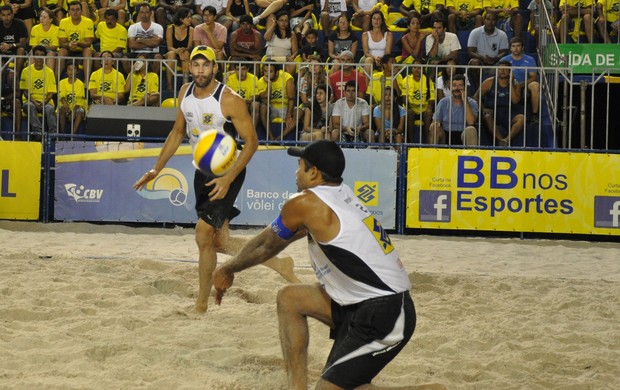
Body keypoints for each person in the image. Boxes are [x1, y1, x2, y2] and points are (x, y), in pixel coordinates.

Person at [212, 139, 416, 389]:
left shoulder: (306, 203)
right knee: (290, 298)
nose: (296, 172)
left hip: (387, 313)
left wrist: (227, 268)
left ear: (314, 172)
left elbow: (266, 245)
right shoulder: (340, 194)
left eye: (300, 165)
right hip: (361, 303)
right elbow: (280, 236)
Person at [133, 46, 299, 313]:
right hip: (203, 170)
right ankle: (279, 263)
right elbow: (177, 133)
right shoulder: (184, 93)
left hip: (228, 171)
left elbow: (252, 143)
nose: (200, 70)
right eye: (196, 65)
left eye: (205, 65)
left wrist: (228, 178)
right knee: (219, 242)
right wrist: (156, 169)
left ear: (215, 68)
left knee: (202, 235)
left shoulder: (229, 100)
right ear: (190, 68)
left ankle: (200, 304)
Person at [474, 60, 525, 146]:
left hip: (508, 112)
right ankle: (501, 140)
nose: (502, 71)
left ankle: (507, 140)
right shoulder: (489, 82)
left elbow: (515, 101)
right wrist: (483, 108)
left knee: (521, 118)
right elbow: (476, 96)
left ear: (510, 71)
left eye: (505, 69)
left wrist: (510, 83)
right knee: (487, 115)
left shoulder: (516, 84)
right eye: (500, 69)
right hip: (492, 110)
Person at [429, 74, 479, 146]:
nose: (457, 88)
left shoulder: (472, 103)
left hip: (464, 134)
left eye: (460, 85)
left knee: (471, 130)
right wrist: (436, 123)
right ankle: (432, 155)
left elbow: (471, 122)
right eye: (454, 85)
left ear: (465, 87)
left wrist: (465, 101)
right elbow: (435, 121)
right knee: (434, 128)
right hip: (446, 134)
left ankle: (470, 157)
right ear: (450, 87)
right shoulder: (443, 102)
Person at [500, 36, 540, 124]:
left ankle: (534, 115)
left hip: (525, 85)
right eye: (513, 46)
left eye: (518, 46)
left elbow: (533, 77)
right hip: (509, 84)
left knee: (535, 85)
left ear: (522, 47)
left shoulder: (530, 60)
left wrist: (522, 84)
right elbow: (500, 75)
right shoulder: (504, 60)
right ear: (510, 48)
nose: (516, 48)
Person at [20, 45, 58, 137]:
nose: (39, 58)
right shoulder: (26, 71)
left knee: (49, 109)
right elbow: (25, 92)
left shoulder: (49, 72)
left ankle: (53, 135)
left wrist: (43, 103)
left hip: (46, 101)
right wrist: (35, 103)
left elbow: (51, 93)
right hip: (30, 100)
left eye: (42, 55)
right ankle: (38, 133)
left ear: (45, 57)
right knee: (30, 106)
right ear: (33, 57)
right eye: (37, 55)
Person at [257, 61, 297, 140]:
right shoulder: (262, 80)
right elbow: (265, 98)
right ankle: (271, 137)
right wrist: (269, 84)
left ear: (276, 72)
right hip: (271, 108)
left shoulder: (286, 77)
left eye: (270, 71)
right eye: (265, 71)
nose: (267, 74)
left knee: (299, 112)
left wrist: (288, 115)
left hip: (285, 107)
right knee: (263, 108)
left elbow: (291, 98)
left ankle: (280, 137)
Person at [399, 57, 435, 143]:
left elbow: (432, 98)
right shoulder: (406, 80)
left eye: (419, 68)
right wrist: (408, 108)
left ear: (422, 69)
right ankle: (411, 142)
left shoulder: (427, 80)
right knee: (409, 113)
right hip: (411, 108)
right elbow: (404, 97)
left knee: (429, 114)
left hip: (424, 109)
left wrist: (429, 108)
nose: (416, 70)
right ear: (412, 69)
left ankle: (427, 142)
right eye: (414, 67)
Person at [467, 12, 509, 83]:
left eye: (493, 20)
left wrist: (494, 58)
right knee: (474, 63)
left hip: (496, 62)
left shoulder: (502, 34)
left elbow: (504, 52)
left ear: (496, 21)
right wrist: (483, 58)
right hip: (480, 61)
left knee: (504, 66)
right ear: (484, 20)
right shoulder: (475, 32)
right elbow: (471, 52)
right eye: (488, 19)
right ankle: (479, 90)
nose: (490, 22)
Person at [58, 1, 94, 83]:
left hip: (83, 49)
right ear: (69, 12)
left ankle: (87, 81)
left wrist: (78, 44)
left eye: (77, 10)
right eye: (72, 10)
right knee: (62, 51)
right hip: (69, 49)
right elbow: (62, 43)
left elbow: (89, 43)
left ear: (81, 11)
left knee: (88, 50)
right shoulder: (63, 22)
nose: (75, 12)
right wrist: (69, 45)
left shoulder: (88, 22)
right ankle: (56, 80)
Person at [224, 57, 261, 129]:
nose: (240, 72)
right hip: (234, 104)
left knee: (255, 105)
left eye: (243, 69)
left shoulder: (253, 78)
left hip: (247, 103)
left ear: (247, 69)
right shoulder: (230, 78)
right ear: (234, 70)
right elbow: (227, 95)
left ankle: (252, 131)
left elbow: (256, 95)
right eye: (238, 69)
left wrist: (248, 101)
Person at [164, 7, 194, 90]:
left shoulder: (191, 30)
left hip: (184, 52)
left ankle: (185, 85)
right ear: (181, 19)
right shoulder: (170, 28)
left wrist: (182, 51)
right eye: (188, 17)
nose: (190, 19)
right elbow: (169, 47)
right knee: (171, 54)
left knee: (186, 54)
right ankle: (169, 84)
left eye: (190, 17)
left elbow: (189, 47)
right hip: (172, 52)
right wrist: (177, 51)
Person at [264, 11, 299, 76]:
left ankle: (286, 85)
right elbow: (266, 38)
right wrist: (273, 25)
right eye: (281, 20)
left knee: (292, 67)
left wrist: (292, 57)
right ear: (277, 21)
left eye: (286, 21)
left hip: (285, 60)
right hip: (272, 59)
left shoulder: (292, 34)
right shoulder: (273, 32)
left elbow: (295, 51)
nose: (283, 23)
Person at [94, 8, 128, 73]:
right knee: (96, 57)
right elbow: (95, 37)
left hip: (117, 53)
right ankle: (98, 76)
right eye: (107, 19)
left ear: (116, 20)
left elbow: (120, 48)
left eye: (112, 19)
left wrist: (109, 55)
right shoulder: (100, 25)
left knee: (112, 57)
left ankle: (114, 77)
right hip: (103, 53)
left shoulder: (122, 30)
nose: (109, 21)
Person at [0, 5, 29, 79]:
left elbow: (23, 42)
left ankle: (17, 76)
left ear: (12, 15)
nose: (6, 17)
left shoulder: (19, 23)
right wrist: (2, 46)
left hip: (16, 48)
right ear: (0, 16)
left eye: (8, 14)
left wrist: (11, 45)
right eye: (3, 15)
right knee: (1, 70)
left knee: (21, 50)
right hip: (2, 50)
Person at [58, 62, 86, 135]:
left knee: (80, 111)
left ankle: (72, 134)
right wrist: (66, 106)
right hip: (66, 106)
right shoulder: (62, 82)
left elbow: (79, 101)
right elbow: (62, 97)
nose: (71, 71)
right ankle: (62, 134)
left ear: (77, 71)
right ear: (66, 71)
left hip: (76, 108)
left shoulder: (80, 84)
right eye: (69, 69)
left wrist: (73, 111)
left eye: (73, 69)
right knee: (62, 109)